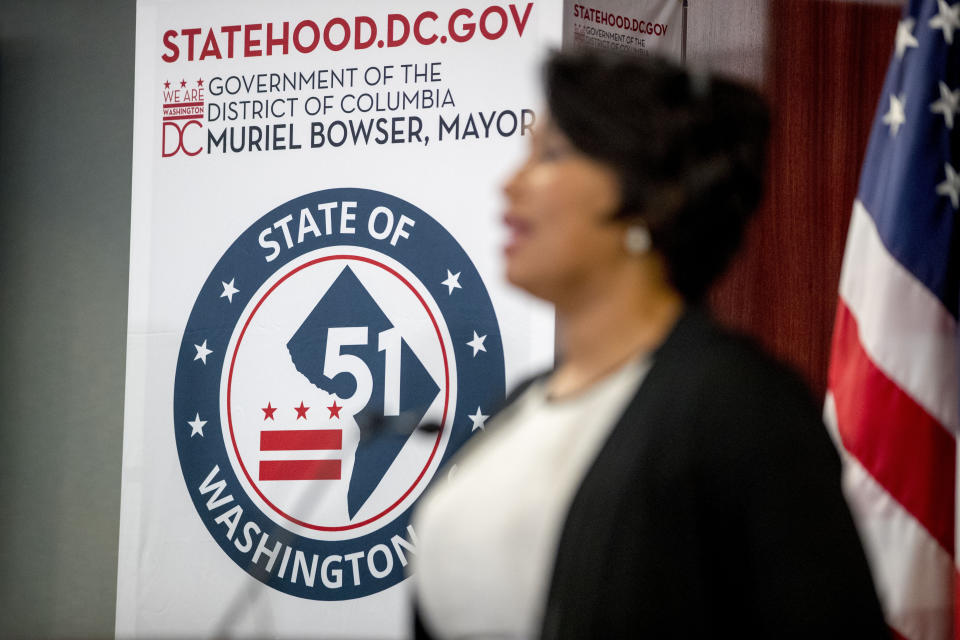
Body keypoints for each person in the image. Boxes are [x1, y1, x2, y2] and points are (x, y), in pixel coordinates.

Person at [409, 52, 887, 639]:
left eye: (551, 154)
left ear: (654, 195)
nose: (509, 183)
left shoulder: (740, 405)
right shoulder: (520, 408)